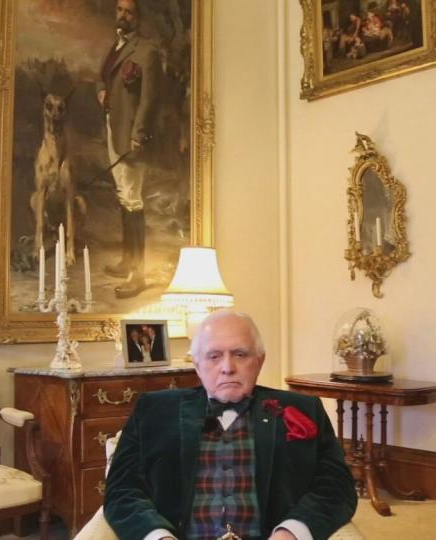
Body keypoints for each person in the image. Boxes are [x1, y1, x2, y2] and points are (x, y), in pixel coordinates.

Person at [104, 311, 357, 540]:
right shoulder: (154, 411)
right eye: (214, 356)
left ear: (259, 361)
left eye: (240, 354)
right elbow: (122, 489)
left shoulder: (305, 409)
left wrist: (291, 532)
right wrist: (158, 536)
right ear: (198, 365)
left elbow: (336, 487)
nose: (227, 368)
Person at [96, 0, 162, 299]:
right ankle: (127, 261)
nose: (123, 15)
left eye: (129, 12)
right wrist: (102, 90)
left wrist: (139, 135)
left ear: (138, 17)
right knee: (124, 195)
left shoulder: (146, 51)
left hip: (132, 137)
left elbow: (150, 98)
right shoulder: (116, 47)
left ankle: (138, 273)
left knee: (133, 200)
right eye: (120, 10)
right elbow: (105, 76)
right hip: (114, 129)